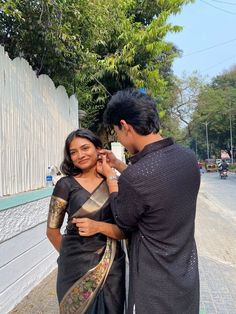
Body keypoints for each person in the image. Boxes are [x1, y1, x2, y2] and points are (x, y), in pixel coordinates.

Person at [98, 89, 200, 314]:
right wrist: (120, 165)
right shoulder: (188, 159)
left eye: (117, 133)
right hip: (185, 276)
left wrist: (111, 178)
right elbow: (155, 189)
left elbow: (123, 218)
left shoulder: (138, 177)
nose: (121, 141)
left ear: (125, 126)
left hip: (154, 289)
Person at [46, 129, 126, 314]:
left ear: (99, 149)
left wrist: (98, 227)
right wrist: (70, 258)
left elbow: (126, 229)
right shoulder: (65, 185)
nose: (80, 155)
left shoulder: (114, 184)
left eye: (85, 148)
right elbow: (52, 232)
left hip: (111, 266)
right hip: (73, 269)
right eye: (73, 152)